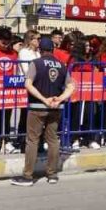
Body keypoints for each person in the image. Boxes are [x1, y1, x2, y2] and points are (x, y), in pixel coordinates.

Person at [10, 36, 74, 186]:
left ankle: (28, 176)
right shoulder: (61, 65)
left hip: (37, 107)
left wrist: (44, 99)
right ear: (52, 49)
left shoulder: (36, 63)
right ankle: (52, 174)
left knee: (32, 140)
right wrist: (59, 99)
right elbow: (71, 86)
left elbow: (28, 84)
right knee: (53, 140)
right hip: (55, 107)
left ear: (40, 50)